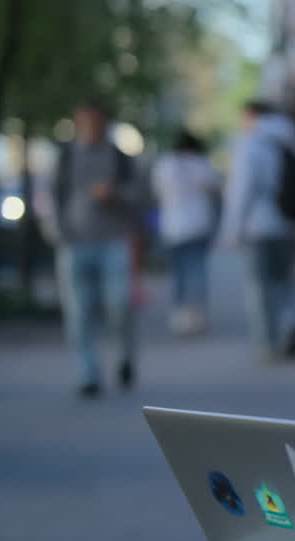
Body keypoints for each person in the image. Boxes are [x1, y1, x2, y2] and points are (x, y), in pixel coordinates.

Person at [50, 97, 142, 398]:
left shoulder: (119, 157)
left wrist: (116, 194)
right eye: (84, 120)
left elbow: (140, 195)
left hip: (113, 241)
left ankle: (125, 356)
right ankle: (89, 374)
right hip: (75, 243)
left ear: (104, 121)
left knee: (119, 306)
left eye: (95, 120)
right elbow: (52, 197)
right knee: (79, 312)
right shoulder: (65, 156)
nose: (89, 126)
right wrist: (58, 232)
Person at [217, 100, 295, 361]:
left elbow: (242, 190)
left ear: (251, 116)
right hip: (288, 223)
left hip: (259, 226)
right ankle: (291, 323)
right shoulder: (293, 141)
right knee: (287, 283)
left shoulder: (252, 144)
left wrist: (230, 232)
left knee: (261, 287)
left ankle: (269, 343)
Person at [151, 128, 221, 336]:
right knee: (197, 271)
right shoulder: (201, 164)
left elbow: (157, 191)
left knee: (178, 273)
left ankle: (179, 315)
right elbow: (216, 188)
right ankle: (197, 314)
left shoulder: (165, 165)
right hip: (198, 226)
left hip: (172, 227)